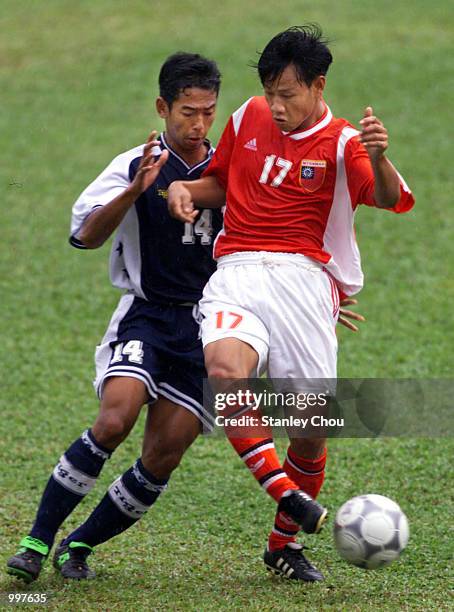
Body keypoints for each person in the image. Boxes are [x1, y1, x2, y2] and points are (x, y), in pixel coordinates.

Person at [168, 25, 415, 582]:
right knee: (225, 371)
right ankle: (286, 494)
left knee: (308, 431)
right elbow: (220, 183)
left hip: (305, 284)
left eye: (289, 95)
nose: (276, 107)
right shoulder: (247, 117)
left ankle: (283, 546)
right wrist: (184, 191)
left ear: (318, 86)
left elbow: (388, 197)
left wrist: (378, 157)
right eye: (270, 93)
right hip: (237, 271)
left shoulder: (345, 143)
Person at [6, 52, 223, 582]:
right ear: (162, 107)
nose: (197, 125)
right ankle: (36, 542)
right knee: (113, 419)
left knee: (163, 455)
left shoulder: (229, 169)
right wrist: (134, 192)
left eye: (208, 113)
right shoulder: (133, 164)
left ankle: (78, 544)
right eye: (187, 112)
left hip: (206, 330)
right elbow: (84, 236)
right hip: (145, 317)